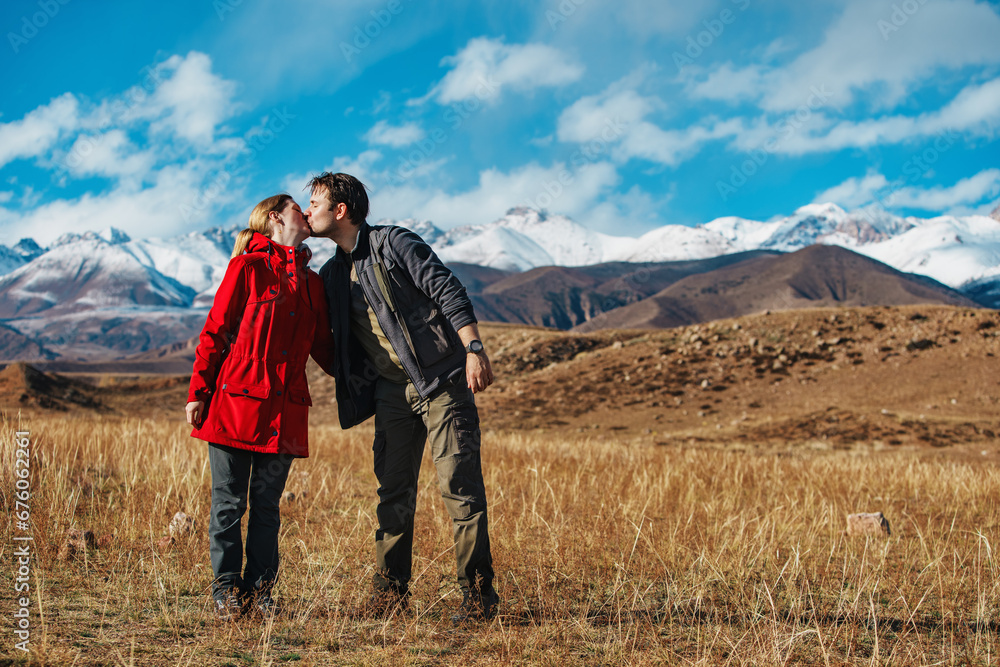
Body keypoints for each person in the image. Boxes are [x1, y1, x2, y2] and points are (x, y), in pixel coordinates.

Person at [305, 172, 499, 623]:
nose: (308, 210)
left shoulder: (394, 243)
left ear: (341, 210)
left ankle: (477, 599)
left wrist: (473, 348)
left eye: (315, 202)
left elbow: (447, 289)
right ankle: (390, 596)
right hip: (391, 393)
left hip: (443, 383)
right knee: (393, 493)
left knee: (460, 489)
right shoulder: (332, 272)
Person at [185, 194, 334, 621]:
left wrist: (377, 373)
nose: (305, 213)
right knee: (229, 504)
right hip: (234, 406)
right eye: (296, 208)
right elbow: (215, 332)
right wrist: (199, 392)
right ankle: (226, 590)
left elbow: (325, 347)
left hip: (285, 412)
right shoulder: (246, 269)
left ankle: (261, 591)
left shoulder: (313, 282)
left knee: (267, 506)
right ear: (275, 217)